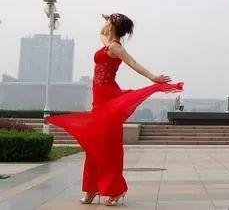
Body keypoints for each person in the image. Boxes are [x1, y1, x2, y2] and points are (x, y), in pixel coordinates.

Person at [45, 13, 183, 206]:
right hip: (98, 101)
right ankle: (92, 188)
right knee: (94, 145)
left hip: (109, 99)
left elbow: (133, 63)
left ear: (114, 27)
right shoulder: (108, 43)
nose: (107, 26)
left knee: (109, 147)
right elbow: (101, 33)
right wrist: (108, 19)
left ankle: (115, 190)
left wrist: (152, 77)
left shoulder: (115, 47)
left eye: (110, 23)